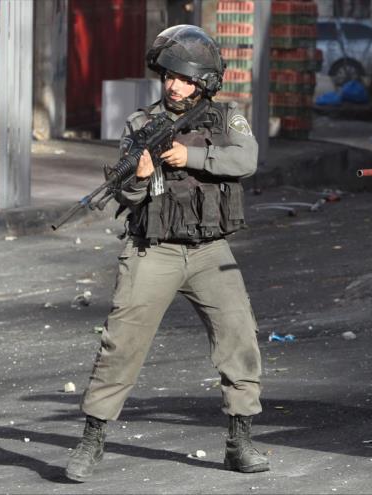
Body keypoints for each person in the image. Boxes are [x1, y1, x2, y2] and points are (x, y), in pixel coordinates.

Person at [64, 25, 269, 482]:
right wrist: (138, 176)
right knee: (121, 344)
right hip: (152, 249)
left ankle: (241, 441)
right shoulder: (141, 125)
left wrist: (188, 157)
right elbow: (130, 198)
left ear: (205, 82)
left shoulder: (226, 118)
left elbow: (247, 160)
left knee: (240, 339)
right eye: (168, 77)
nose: (174, 86)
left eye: (184, 78)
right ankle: (91, 441)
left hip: (209, 250)